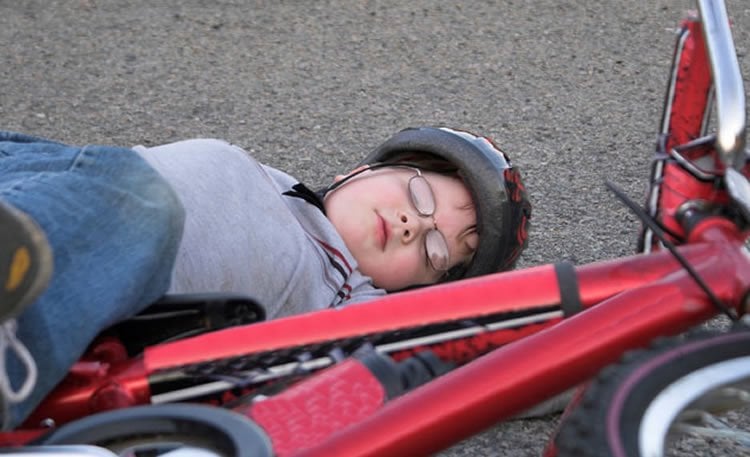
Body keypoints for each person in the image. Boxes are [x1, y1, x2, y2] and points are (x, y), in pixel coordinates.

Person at [0, 126, 531, 429]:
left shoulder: (352, 304)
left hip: (114, 234)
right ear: (359, 172)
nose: (414, 224)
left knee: (143, 210)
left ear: (414, 291)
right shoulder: (264, 179)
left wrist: (607, 335)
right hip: (54, 175)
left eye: (436, 250)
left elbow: (492, 350)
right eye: (419, 195)